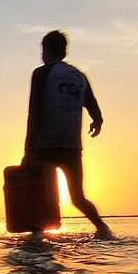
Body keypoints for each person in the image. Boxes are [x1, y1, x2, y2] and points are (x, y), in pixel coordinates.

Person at [22, 30, 113, 239]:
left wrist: (28, 151)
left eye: (42, 50)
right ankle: (103, 230)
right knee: (77, 196)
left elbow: (34, 112)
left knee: (37, 192)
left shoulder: (41, 74)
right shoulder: (78, 76)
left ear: (47, 50)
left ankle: (37, 238)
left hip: (46, 145)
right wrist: (97, 122)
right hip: (71, 146)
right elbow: (93, 106)